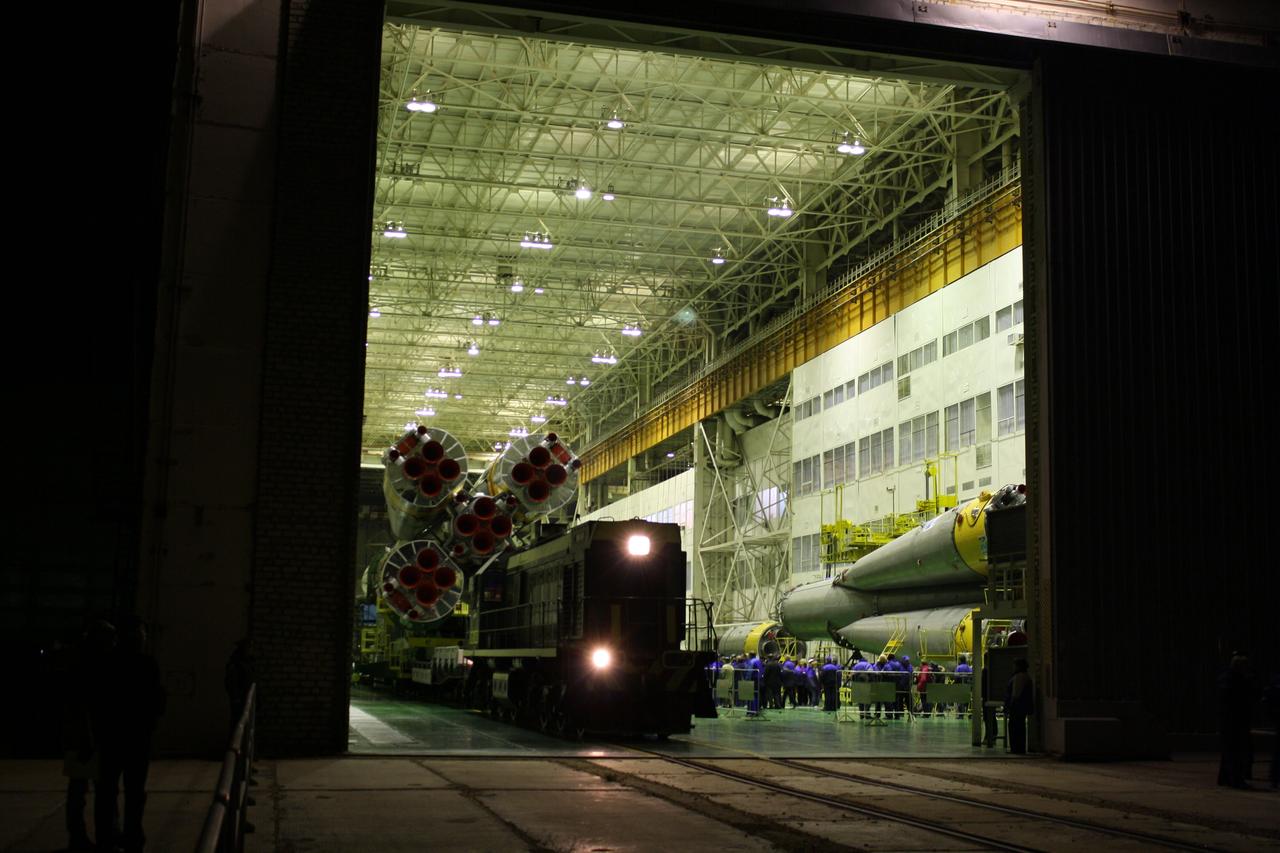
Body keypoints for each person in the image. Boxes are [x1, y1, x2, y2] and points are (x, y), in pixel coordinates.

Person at [93, 616, 167, 853]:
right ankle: (133, 838)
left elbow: (98, 702)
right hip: (137, 739)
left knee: (106, 792)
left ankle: (106, 839)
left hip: (111, 739)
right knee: (135, 793)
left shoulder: (106, 663)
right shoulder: (147, 664)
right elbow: (158, 701)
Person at [60, 620, 116, 851]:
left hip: (82, 736)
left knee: (79, 790)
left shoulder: (80, 665)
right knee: (93, 790)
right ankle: (92, 836)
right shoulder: (94, 667)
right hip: (87, 737)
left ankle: (79, 835)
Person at [1217, 652, 1256, 788]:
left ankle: (1225, 778)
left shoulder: (1225, 678)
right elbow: (1242, 700)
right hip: (1236, 721)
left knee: (1228, 751)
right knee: (1237, 752)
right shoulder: (1238, 680)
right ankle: (1236, 780)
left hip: (1226, 720)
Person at [225, 638, 256, 732]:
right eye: (248, 647)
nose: (250, 649)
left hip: (246, 698)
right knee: (237, 724)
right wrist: (236, 698)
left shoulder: (249, 662)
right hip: (240, 700)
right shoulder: (236, 664)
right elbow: (231, 682)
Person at [1004, 658, 1033, 754]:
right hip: (1022, 706)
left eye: (1015, 665)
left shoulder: (1018, 677)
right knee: (1020, 727)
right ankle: (1020, 748)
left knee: (1014, 727)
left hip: (1017, 706)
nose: (1013, 667)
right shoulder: (1026, 676)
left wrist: (1010, 705)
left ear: (1018, 666)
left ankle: (1015, 748)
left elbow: (1015, 694)